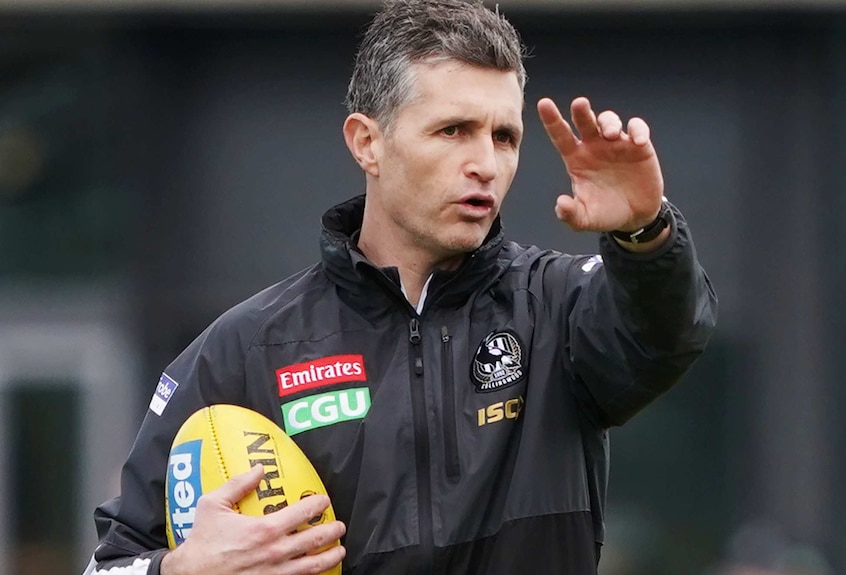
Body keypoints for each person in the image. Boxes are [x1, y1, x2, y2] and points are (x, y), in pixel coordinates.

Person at [84, 0, 717, 573]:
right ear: (368, 143)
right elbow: (110, 565)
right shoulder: (246, 351)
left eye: (505, 137)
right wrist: (178, 571)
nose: (486, 164)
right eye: (453, 131)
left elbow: (666, 337)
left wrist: (645, 233)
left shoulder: (555, 307)